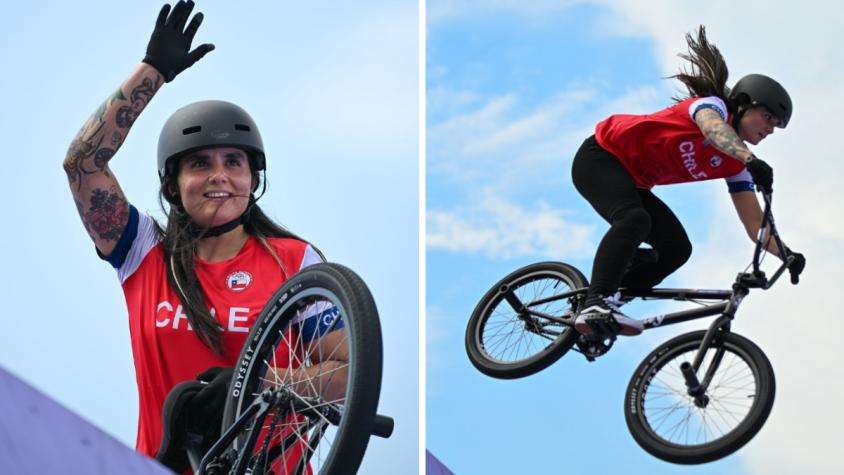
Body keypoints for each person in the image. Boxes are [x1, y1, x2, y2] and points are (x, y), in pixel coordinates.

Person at [62, 1, 347, 470]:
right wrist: (152, 71)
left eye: (233, 162)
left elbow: (346, 371)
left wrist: (255, 382)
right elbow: (82, 165)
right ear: (172, 184)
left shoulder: (294, 262)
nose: (219, 176)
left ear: (252, 179)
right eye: (200, 163)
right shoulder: (141, 250)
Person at [571, 26, 806, 337]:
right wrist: (751, 161)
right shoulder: (711, 107)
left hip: (635, 182)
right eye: (768, 118)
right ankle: (596, 300)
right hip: (601, 155)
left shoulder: (735, 163)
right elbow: (713, 130)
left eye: (776, 126)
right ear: (743, 104)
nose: (771, 129)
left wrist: (785, 254)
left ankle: (604, 308)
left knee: (676, 249)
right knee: (634, 218)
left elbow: (754, 226)